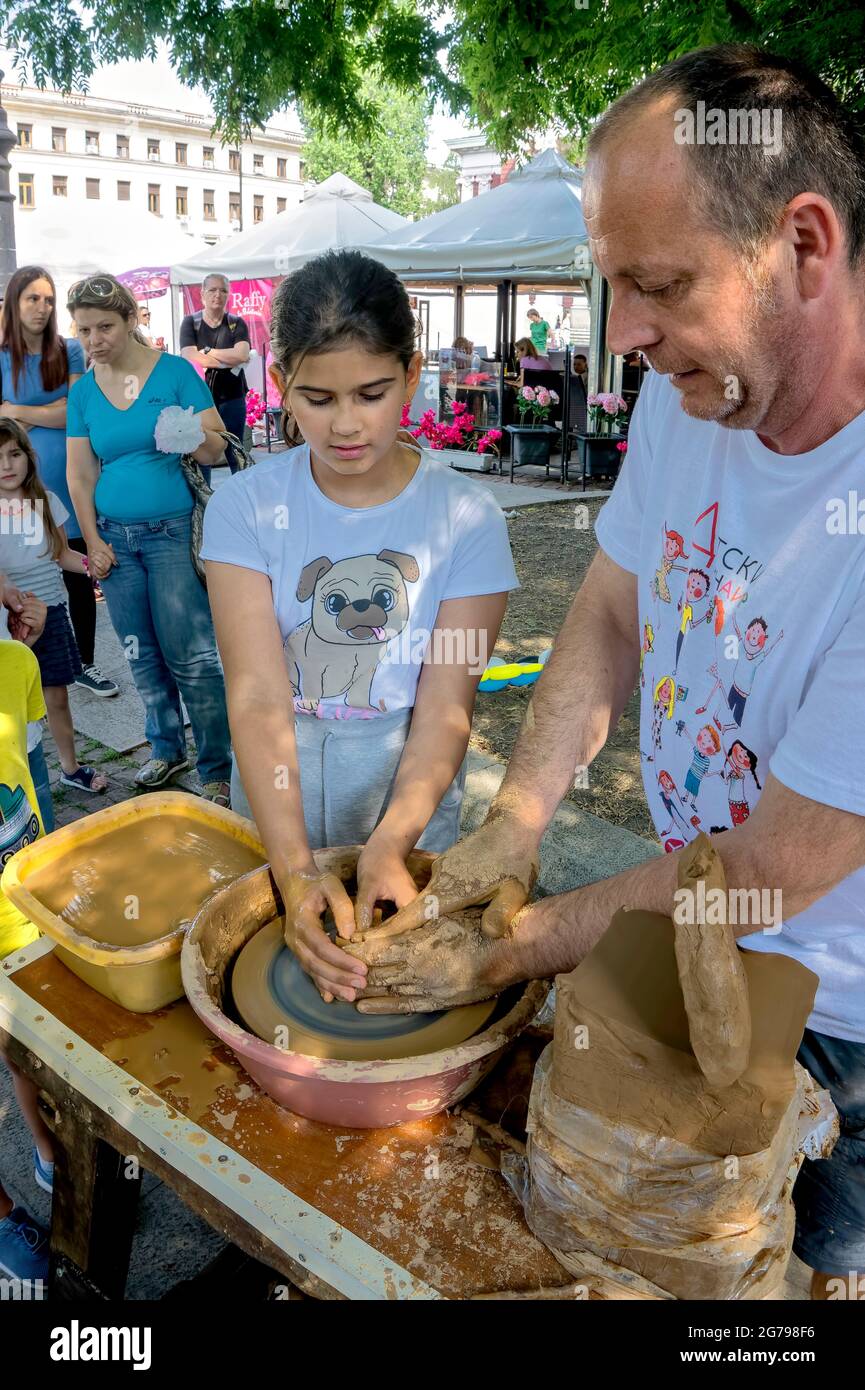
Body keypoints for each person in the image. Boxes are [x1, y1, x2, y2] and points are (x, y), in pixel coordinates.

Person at [354, 46, 865, 1301]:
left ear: (803, 244)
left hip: (842, 1020)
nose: (622, 334)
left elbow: (757, 872)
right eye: (609, 285)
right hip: (682, 933)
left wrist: (508, 948)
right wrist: (515, 824)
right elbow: (605, 613)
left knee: (788, 1285)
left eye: (658, 284)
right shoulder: (690, 391)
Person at [200, 249, 517, 1004]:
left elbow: (445, 707)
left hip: (403, 775)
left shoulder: (467, 519)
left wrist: (391, 842)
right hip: (277, 775)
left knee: (390, 972)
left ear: (411, 376)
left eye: (372, 393)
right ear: (280, 386)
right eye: (316, 398)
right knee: (272, 961)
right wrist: (293, 865)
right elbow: (255, 698)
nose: (345, 425)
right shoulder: (244, 508)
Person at [66, 274, 233, 804]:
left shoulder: (177, 372)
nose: (94, 340)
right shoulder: (84, 392)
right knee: (141, 653)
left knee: (192, 654)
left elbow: (217, 449)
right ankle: (165, 747)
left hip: (172, 533)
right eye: (84, 329)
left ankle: (215, 765)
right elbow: (80, 474)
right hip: (115, 540)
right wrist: (91, 540)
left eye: (104, 327)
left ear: (131, 320)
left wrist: (191, 435)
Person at [0, 265, 118, 697]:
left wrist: (17, 411)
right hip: (14, 486)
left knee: (76, 570)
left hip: (68, 479)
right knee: (22, 569)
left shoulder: (66, 349)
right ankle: (25, 663)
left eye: (48, 300)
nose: (42, 307)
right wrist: (41, 410)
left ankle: (84, 662)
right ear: (14, 302)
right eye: (33, 298)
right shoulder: (1, 355)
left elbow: (74, 411)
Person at [0, 418, 108, 794]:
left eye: (14, 454)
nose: (7, 465)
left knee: (56, 696)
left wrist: (92, 564)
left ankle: (69, 766)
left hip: (55, 611)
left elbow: (62, 553)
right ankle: (18, 770)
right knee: (11, 703)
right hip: (10, 620)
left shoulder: (47, 501)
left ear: (28, 457)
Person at [0, 581, 53, 1285]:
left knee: (30, 1041)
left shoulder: (16, 666)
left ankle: (46, 1143)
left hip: (22, 904)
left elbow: (30, 769)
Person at [179, 273, 250, 484]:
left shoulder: (236, 323)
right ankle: (206, 500)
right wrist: (228, 360)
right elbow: (189, 356)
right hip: (201, 398)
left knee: (235, 449)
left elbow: (242, 355)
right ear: (202, 294)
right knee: (203, 452)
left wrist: (209, 352)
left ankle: (241, 497)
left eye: (223, 290)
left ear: (228, 295)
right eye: (212, 290)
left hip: (233, 395)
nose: (217, 295)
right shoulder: (191, 323)